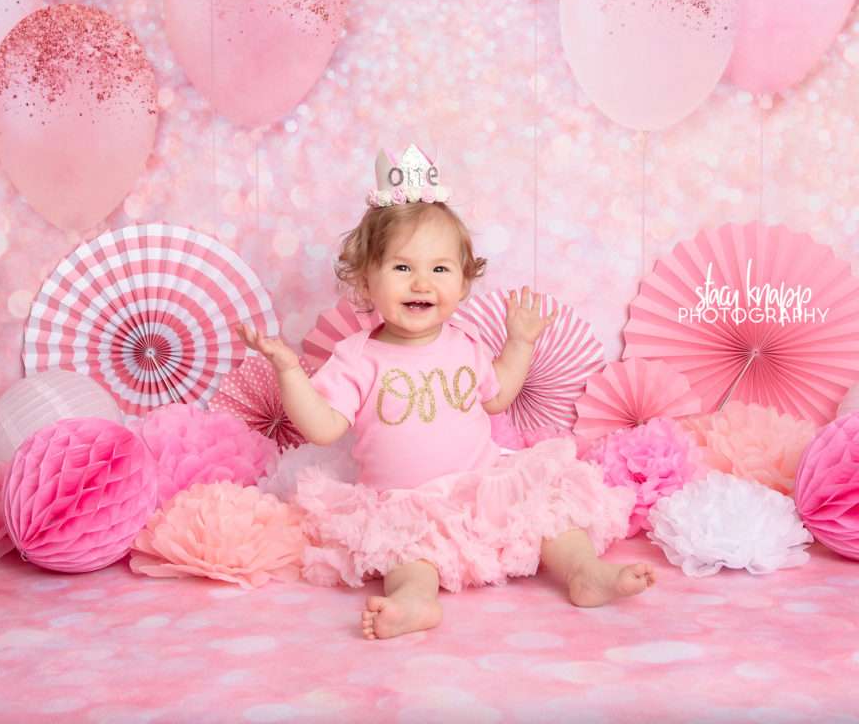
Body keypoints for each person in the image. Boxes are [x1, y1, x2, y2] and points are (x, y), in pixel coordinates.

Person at [238, 145, 652, 640]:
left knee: (549, 515)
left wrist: (519, 342)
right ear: (367, 279)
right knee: (407, 554)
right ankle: (414, 603)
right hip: (406, 499)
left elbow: (495, 396)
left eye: (439, 269)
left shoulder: (464, 342)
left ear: (462, 281)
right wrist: (288, 370)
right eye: (401, 268)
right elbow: (324, 428)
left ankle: (585, 573)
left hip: (483, 485)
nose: (422, 282)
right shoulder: (358, 356)